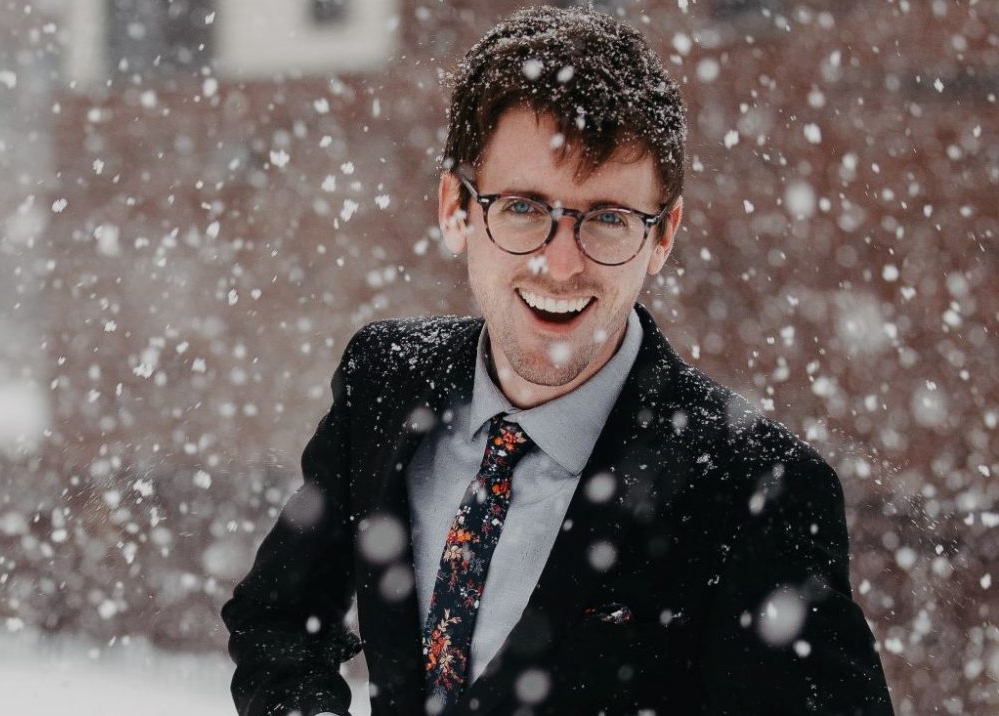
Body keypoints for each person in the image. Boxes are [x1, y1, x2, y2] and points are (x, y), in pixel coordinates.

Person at [222, 6, 894, 715]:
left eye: (607, 218)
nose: (559, 262)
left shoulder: (757, 490)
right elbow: (277, 624)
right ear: (457, 209)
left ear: (663, 236)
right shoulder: (384, 381)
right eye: (522, 207)